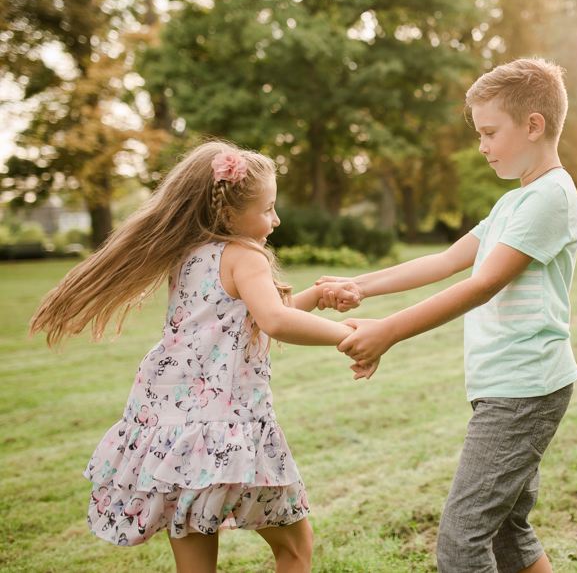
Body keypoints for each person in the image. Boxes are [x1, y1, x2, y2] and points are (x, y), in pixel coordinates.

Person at [30, 142, 368, 573]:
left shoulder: (189, 255)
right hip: (228, 427)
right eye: (268, 209)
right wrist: (349, 336)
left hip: (177, 432)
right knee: (296, 547)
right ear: (229, 213)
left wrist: (317, 297)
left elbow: (240, 318)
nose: (276, 220)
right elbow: (275, 321)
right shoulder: (245, 255)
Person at [317, 58, 577, 573]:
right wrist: (360, 287)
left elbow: (482, 285)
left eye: (489, 132)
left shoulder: (550, 197)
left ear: (533, 125)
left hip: (525, 386)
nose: (481, 146)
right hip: (508, 382)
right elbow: (443, 261)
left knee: (461, 544)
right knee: (509, 531)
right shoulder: (515, 202)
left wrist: (389, 331)